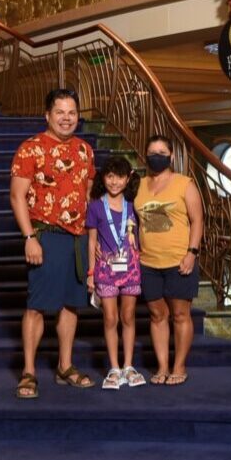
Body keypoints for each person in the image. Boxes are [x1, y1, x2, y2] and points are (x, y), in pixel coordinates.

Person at [10, 88, 95, 398]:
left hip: (77, 238)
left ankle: (65, 365)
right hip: (44, 236)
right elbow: (17, 196)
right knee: (36, 307)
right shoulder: (30, 149)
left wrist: (93, 240)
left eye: (72, 112)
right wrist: (29, 237)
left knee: (71, 305)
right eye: (60, 112)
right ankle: (29, 371)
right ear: (47, 115)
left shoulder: (85, 150)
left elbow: (88, 197)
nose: (66, 118)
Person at [134, 135, 204, 385]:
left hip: (179, 260)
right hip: (148, 262)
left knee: (181, 315)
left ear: (171, 156)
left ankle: (179, 365)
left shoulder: (185, 184)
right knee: (156, 315)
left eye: (162, 152)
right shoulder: (138, 185)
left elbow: (197, 220)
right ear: (145, 155)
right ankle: (162, 366)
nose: (157, 156)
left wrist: (192, 253)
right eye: (152, 152)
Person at [86, 157, 146, 390]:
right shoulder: (96, 206)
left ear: (128, 178)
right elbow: (92, 242)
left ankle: (128, 366)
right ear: (103, 177)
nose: (114, 182)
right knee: (110, 318)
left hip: (131, 269)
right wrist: (91, 272)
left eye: (119, 176)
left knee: (128, 316)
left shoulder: (134, 204)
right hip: (105, 270)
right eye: (109, 176)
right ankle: (114, 367)